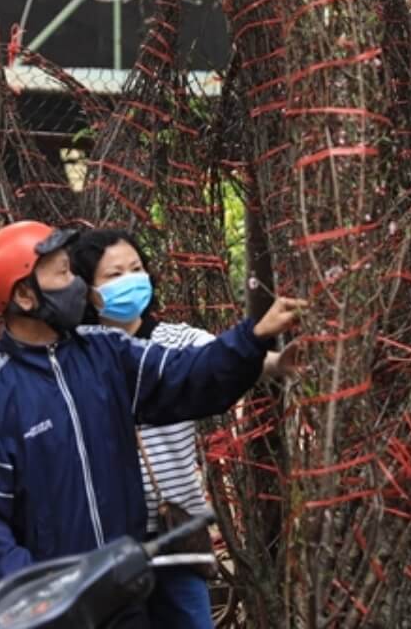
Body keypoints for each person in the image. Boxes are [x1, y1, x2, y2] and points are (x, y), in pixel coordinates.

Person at [0, 221, 303, 629]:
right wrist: (33, 598)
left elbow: (186, 374)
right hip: (51, 611)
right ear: (25, 296)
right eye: (63, 274)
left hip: (121, 591)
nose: (76, 284)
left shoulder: (104, 354)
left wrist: (253, 336)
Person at [69, 229, 295, 629]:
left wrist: (277, 363)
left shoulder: (177, 340)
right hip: (109, 537)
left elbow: (216, 361)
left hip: (175, 529)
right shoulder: (78, 353)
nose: (130, 280)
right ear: (87, 291)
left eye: (136, 269)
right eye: (114, 275)